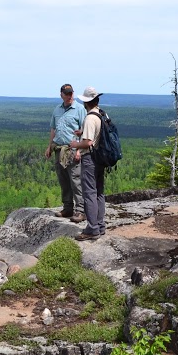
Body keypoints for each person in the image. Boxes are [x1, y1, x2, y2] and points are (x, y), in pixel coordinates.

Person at [44, 83, 86, 222]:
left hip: (73, 150)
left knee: (75, 180)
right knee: (63, 180)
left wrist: (79, 150)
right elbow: (53, 129)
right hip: (58, 149)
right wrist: (49, 146)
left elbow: (84, 131)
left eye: (71, 93)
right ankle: (68, 208)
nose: (69, 96)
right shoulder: (57, 110)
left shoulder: (79, 109)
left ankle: (80, 211)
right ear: (61, 94)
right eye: (66, 94)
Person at [69, 86, 106, 240]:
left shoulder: (90, 118)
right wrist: (82, 132)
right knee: (98, 192)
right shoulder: (101, 114)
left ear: (87, 102)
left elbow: (88, 143)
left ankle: (92, 229)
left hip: (90, 159)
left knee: (89, 193)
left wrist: (75, 144)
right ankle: (100, 225)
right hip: (100, 158)